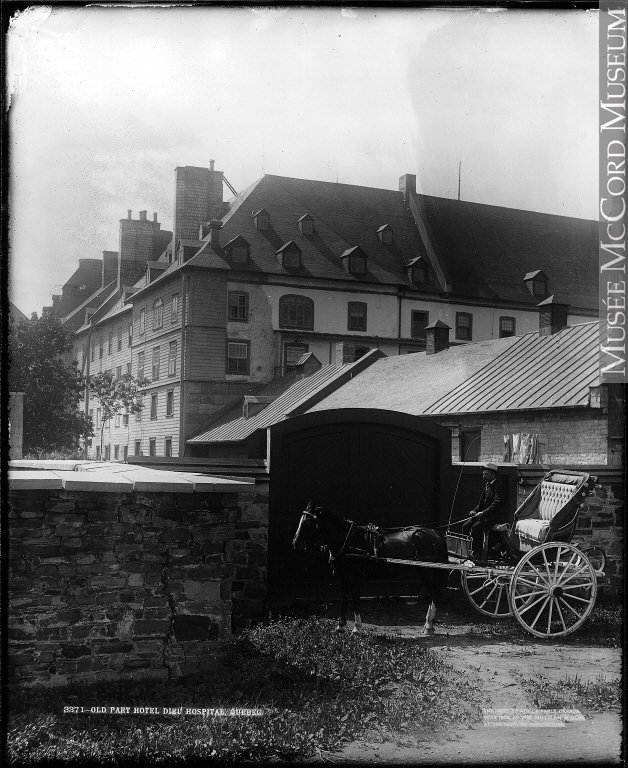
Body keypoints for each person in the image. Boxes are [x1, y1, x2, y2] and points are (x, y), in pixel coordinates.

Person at [462, 463, 504, 560]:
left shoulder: (499, 486)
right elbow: (481, 503)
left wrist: (483, 513)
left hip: (492, 517)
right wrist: (474, 510)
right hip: (483, 516)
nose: (483, 476)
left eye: (486, 474)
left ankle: (477, 554)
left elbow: (496, 504)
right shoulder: (487, 485)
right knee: (465, 526)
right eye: (483, 474)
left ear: (493, 474)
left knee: (475, 528)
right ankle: (465, 551)